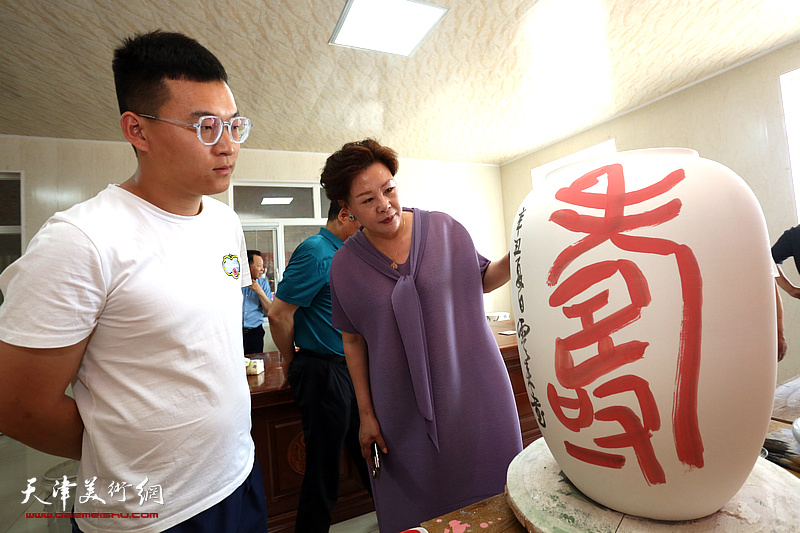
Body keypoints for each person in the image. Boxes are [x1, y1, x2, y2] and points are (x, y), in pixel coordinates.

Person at [0, 31, 269, 532]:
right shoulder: (82, 241)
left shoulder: (224, 223)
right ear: (137, 130)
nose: (228, 145)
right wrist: (124, 448)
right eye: (205, 127)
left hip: (238, 476)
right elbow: (17, 406)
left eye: (234, 125)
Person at [322, 139, 523, 531]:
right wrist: (366, 416)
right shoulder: (344, 266)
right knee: (417, 513)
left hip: (475, 394)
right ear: (347, 210)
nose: (384, 204)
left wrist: (519, 251)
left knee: (497, 501)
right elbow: (353, 340)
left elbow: (482, 278)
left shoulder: (446, 229)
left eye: (389, 188)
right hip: (399, 411)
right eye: (367, 199)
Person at [267, 200, 366, 532]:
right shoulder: (316, 251)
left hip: (348, 368)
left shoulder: (345, 252)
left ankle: (400, 515)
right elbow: (279, 314)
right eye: (360, 222)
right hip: (323, 371)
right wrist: (291, 361)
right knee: (324, 467)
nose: (365, 230)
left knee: (369, 448)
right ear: (342, 215)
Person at [243, 249, 274, 354]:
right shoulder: (235, 284)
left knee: (256, 365)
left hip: (254, 333)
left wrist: (259, 291)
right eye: (259, 265)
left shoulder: (263, 284)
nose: (262, 269)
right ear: (248, 266)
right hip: (235, 333)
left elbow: (270, 309)